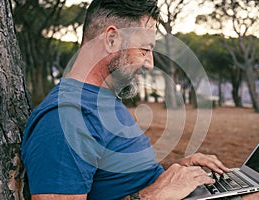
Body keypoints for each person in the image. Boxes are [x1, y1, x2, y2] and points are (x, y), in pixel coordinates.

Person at [21, 0, 230, 199]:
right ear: (112, 40)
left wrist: (174, 174)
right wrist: (153, 196)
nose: (150, 63)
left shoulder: (102, 99)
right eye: (145, 50)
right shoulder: (66, 118)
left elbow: (120, 182)